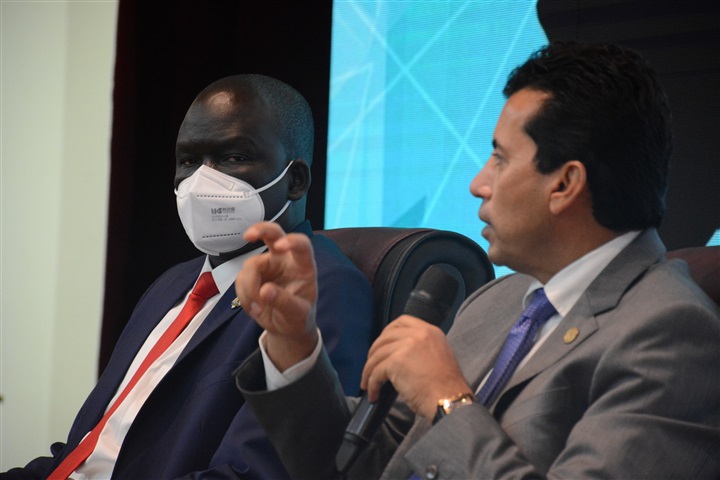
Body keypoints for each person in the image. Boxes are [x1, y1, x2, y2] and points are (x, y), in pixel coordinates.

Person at [233, 42, 720, 479]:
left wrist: (448, 400)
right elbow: (356, 464)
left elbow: (448, 415)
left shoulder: (673, 334)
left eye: (500, 159)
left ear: (565, 184)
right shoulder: (499, 301)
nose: (478, 184)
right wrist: (294, 341)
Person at [2, 74, 374, 479]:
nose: (201, 181)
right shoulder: (171, 285)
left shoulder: (323, 288)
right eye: (189, 161)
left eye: (233, 157)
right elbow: (89, 449)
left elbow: (256, 473)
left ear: (295, 180)